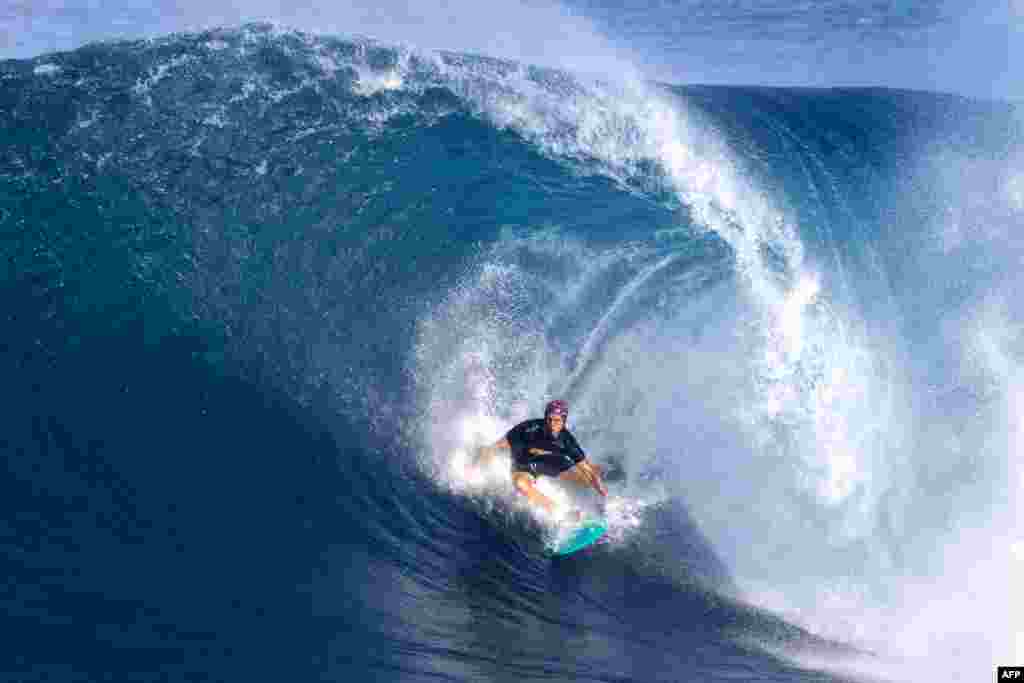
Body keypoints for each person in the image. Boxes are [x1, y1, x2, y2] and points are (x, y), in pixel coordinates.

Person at [471, 400, 607, 518]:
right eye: (549, 419)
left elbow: (586, 468)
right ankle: (560, 513)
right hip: (523, 464)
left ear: (564, 421)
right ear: (545, 418)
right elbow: (500, 445)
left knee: (589, 476)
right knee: (521, 484)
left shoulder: (567, 441)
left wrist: (601, 491)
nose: (552, 424)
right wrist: (485, 454)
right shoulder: (529, 429)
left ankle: (601, 502)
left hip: (548, 461)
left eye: (557, 420)